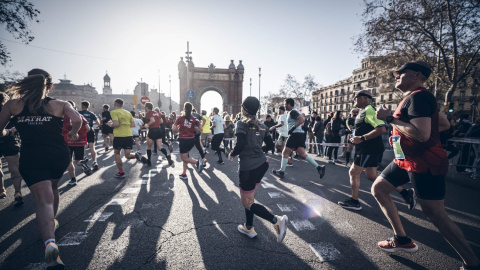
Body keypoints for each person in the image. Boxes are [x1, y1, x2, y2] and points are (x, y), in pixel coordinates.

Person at [372, 61, 479, 270]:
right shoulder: (414, 98)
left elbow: (421, 134)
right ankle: (402, 240)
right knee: (379, 188)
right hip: (405, 159)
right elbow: (445, 124)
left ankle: (472, 263)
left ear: (416, 75)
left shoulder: (419, 97)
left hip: (425, 162)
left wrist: (389, 119)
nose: (396, 76)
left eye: (400, 73)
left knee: (436, 214)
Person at [0, 69, 82, 269]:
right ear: (50, 86)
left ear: (27, 84)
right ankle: (51, 222)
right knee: (53, 188)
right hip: (58, 155)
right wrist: (73, 132)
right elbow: (78, 119)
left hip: (32, 157)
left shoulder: (13, 104)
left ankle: (50, 244)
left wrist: (7, 132)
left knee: (43, 199)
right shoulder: (59, 104)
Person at [338, 90, 414, 211]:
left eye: (355, 97)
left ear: (364, 98)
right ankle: (405, 192)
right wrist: (355, 137)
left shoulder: (369, 110)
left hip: (368, 149)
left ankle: (355, 201)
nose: (353, 100)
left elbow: (381, 129)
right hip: (367, 148)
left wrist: (361, 138)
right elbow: (365, 128)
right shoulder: (363, 111)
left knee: (354, 172)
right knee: (371, 175)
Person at [228, 96, 288, 242]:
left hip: (248, 167)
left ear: (244, 109)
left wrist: (232, 153)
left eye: (242, 106)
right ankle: (249, 227)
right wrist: (257, 150)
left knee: (247, 202)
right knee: (250, 198)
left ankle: (276, 220)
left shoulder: (241, 123)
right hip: (262, 164)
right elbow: (269, 145)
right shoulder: (263, 125)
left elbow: (240, 144)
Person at [272, 98, 325, 179]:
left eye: (285, 104)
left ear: (289, 104)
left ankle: (281, 172)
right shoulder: (292, 112)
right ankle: (319, 167)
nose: (284, 106)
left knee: (285, 152)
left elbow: (302, 119)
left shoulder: (293, 111)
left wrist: (293, 128)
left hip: (295, 134)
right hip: (299, 135)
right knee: (302, 154)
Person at [0, 92, 24, 206]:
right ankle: (17, 192)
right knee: (14, 169)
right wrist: (11, 131)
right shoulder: (10, 111)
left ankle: (1, 190)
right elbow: (19, 126)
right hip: (10, 142)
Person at [172, 102, 204, 180]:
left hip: (183, 140)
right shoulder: (194, 118)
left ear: (184, 108)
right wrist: (193, 127)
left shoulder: (180, 118)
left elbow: (173, 129)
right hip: (191, 140)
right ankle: (184, 173)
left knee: (184, 158)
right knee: (186, 156)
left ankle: (197, 162)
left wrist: (178, 126)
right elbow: (201, 129)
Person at [63, 101, 91, 186]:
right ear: (74, 107)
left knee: (69, 161)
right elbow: (88, 128)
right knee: (78, 160)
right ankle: (81, 163)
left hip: (67, 141)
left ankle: (73, 179)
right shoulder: (80, 116)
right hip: (80, 141)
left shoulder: (62, 117)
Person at [138, 102, 173, 167]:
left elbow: (153, 120)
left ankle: (149, 161)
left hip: (152, 131)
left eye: (145, 107)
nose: (144, 108)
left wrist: (147, 125)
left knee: (148, 147)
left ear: (147, 107)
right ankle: (167, 156)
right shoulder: (156, 113)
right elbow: (161, 121)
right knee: (160, 147)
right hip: (158, 131)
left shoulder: (148, 113)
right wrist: (156, 124)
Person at [108, 99, 137, 178]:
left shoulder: (113, 112)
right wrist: (125, 126)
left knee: (117, 153)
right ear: (122, 105)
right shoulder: (128, 113)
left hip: (119, 136)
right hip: (128, 135)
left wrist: (110, 124)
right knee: (127, 155)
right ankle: (136, 156)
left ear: (115, 104)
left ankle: (121, 172)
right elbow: (133, 124)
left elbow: (116, 124)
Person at [78, 101, 100, 170]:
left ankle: (85, 157)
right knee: (92, 147)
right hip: (90, 130)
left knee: (82, 146)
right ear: (88, 106)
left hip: (81, 131)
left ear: (82, 106)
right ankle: (94, 162)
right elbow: (98, 123)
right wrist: (91, 124)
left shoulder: (78, 113)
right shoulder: (91, 114)